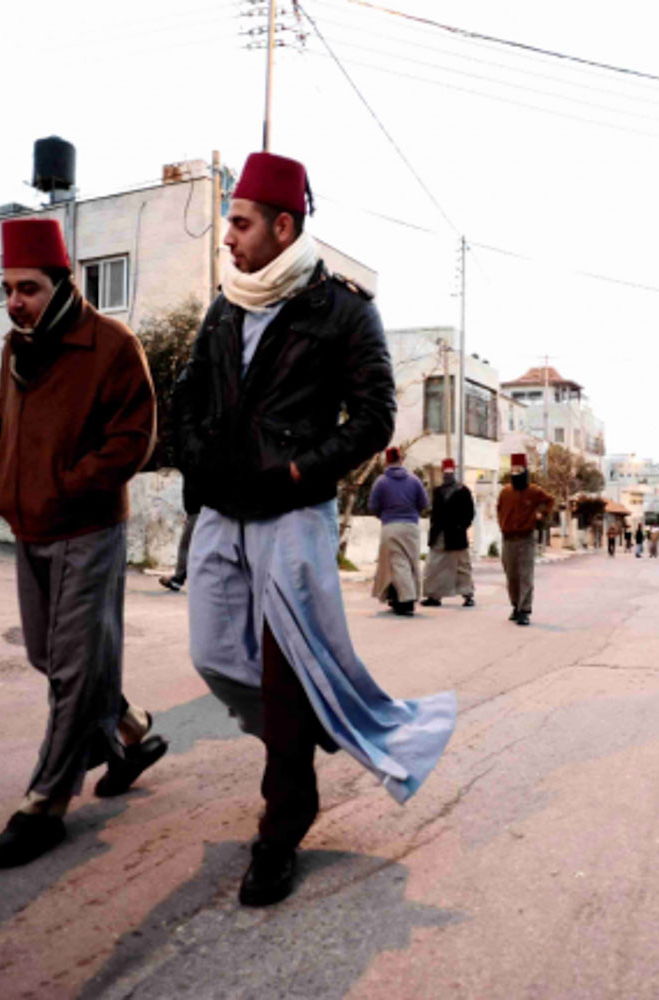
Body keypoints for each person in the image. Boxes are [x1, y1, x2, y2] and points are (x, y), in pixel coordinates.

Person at [175, 151, 456, 907]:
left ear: (282, 225)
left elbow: (373, 419)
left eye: (238, 222)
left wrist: (301, 472)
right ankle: (306, 728)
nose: (226, 237)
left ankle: (284, 816)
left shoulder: (344, 309)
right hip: (221, 510)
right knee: (210, 652)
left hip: (292, 513)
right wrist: (199, 464)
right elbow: (192, 394)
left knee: (284, 666)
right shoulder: (224, 303)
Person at [0, 217, 169, 869]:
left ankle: (44, 803)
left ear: (61, 282)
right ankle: (126, 728)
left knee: (69, 668)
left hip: (87, 527)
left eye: (26, 288)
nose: (14, 301)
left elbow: (134, 437)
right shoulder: (15, 348)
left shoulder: (111, 345)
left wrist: (69, 485)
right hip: (27, 525)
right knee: (47, 654)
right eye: (6, 288)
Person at [369, 446, 429, 615]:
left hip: (391, 526)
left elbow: (373, 506)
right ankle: (402, 596)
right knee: (410, 562)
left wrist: (384, 515)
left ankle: (406, 600)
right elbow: (424, 504)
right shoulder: (415, 480)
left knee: (395, 563)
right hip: (411, 527)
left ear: (386, 461)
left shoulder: (381, 482)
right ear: (401, 459)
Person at [497, 453, 555, 626]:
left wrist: (540, 514)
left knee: (525, 575)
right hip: (508, 538)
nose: (516, 472)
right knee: (511, 575)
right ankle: (515, 606)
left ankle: (524, 610)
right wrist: (503, 523)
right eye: (513, 470)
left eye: (519, 470)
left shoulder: (534, 491)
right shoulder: (505, 492)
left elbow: (549, 501)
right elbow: (499, 509)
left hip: (525, 537)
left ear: (525, 470)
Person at [422, 457, 476, 607]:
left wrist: (461, 526)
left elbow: (470, 513)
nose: (447, 474)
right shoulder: (438, 491)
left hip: (457, 535)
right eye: (445, 472)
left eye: (449, 472)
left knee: (462, 566)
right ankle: (434, 595)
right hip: (439, 534)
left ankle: (468, 593)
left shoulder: (463, 491)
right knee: (434, 566)